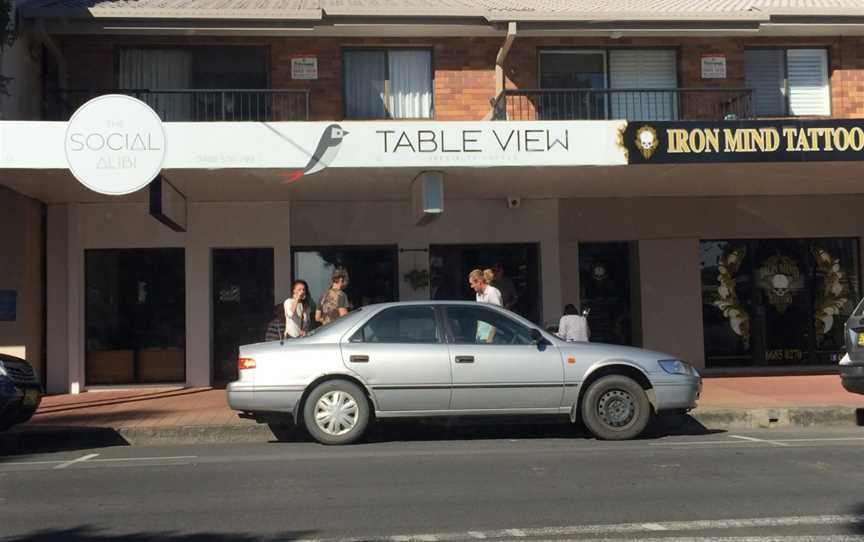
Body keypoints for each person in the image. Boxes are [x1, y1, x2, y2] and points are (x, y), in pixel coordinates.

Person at [468, 268, 502, 343]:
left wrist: (490, 337)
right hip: (481, 335)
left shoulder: (492, 292)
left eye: (472, 283)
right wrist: (477, 334)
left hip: (492, 336)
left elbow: (498, 316)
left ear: (479, 282)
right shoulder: (478, 294)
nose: (471, 286)